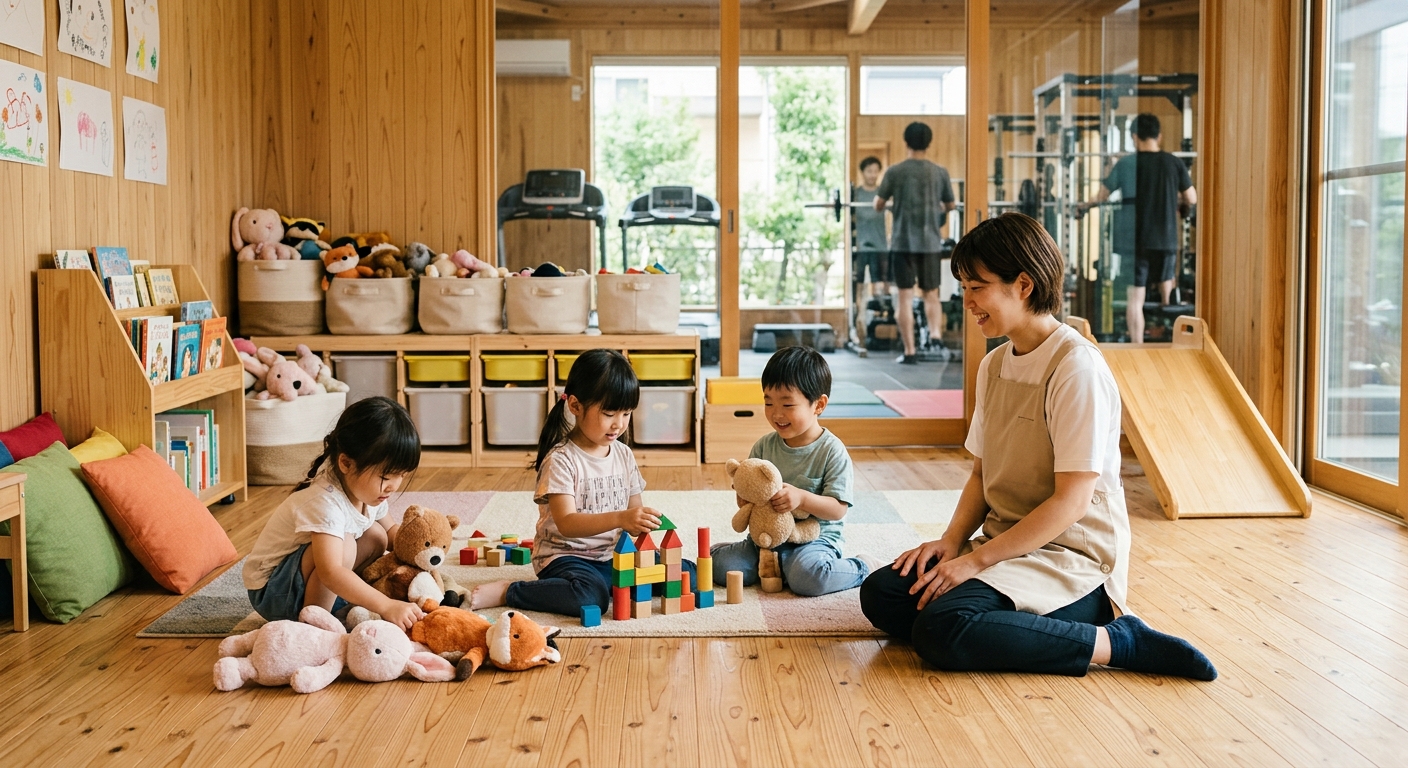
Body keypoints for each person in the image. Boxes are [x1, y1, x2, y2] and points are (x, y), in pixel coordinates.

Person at [859, 213, 1216, 680]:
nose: (966, 301)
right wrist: (951, 545)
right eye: (963, 287)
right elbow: (981, 476)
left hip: (1072, 560)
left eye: (977, 287)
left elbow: (1072, 502)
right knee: (882, 593)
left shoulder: (1076, 368)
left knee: (943, 629)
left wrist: (976, 562)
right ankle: (1007, 623)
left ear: (1023, 285)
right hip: (1007, 545)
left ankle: (1117, 640)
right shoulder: (994, 365)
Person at [469, 348, 695, 615]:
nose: (619, 425)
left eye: (626, 414)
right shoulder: (561, 460)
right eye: (609, 414)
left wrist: (643, 525)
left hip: (613, 556)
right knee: (590, 597)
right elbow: (567, 523)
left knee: (685, 571)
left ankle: (614, 582)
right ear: (575, 406)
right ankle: (511, 591)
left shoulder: (623, 455)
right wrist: (622, 518)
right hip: (566, 557)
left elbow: (634, 512)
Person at [709, 346, 882, 595]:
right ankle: (772, 564)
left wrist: (802, 498)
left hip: (813, 540)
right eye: (768, 402)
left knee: (809, 580)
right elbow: (747, 501)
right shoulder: (764, 446)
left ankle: (863, 567)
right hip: (765, 537)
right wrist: (744, 495)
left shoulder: (831, 451)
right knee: (720, 567)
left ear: (818, 405)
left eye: (788, 404)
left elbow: (837, 510)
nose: (776, 413)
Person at [242, 396, 424, 631]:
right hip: (273, 592)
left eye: (402, 476)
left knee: (376, 536)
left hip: (302, 581)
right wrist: (386, 605)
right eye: (386, 477)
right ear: (346, 463)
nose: (394, 486)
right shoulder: (325, 501)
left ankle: (340, 602)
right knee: (346, 545)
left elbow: (391, 533)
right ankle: (313, 627)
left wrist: (421, 553)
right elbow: (330, 572)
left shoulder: (364, 487)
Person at [1079, 113, 1197, 343]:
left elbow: (1102, 195)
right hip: (1166, 240)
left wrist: (1084, 206)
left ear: (1134, 137)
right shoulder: (1174, 162)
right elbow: (1191, 197)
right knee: (1168, 297)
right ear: (1159, 136)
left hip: (1137, 242)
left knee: (1136, 300)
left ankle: (1138, 346)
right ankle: (1174, 347)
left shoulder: (1127, 164)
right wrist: (1177, 203)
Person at [874, 121, 957, 364]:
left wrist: (889, 204)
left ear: (906, 142)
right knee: (931, 294)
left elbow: (878, 203)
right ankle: (935, 335)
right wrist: (936, 207)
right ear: (929, 143)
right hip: (930, 242)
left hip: (902, 243)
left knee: (905, 297)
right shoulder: (939, 172)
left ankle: (910, 351)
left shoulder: (895, 171)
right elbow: (950, 205)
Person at [851, 156, 891, 354]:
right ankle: (860, 329)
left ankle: (877, 332)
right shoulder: (856, 194)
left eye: (876, 171)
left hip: (880, 247)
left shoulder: (882, 194)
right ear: (863, 172)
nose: (872, 175)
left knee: (879, 288)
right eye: (869, 171)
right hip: (861, 249)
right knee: (859, 290)